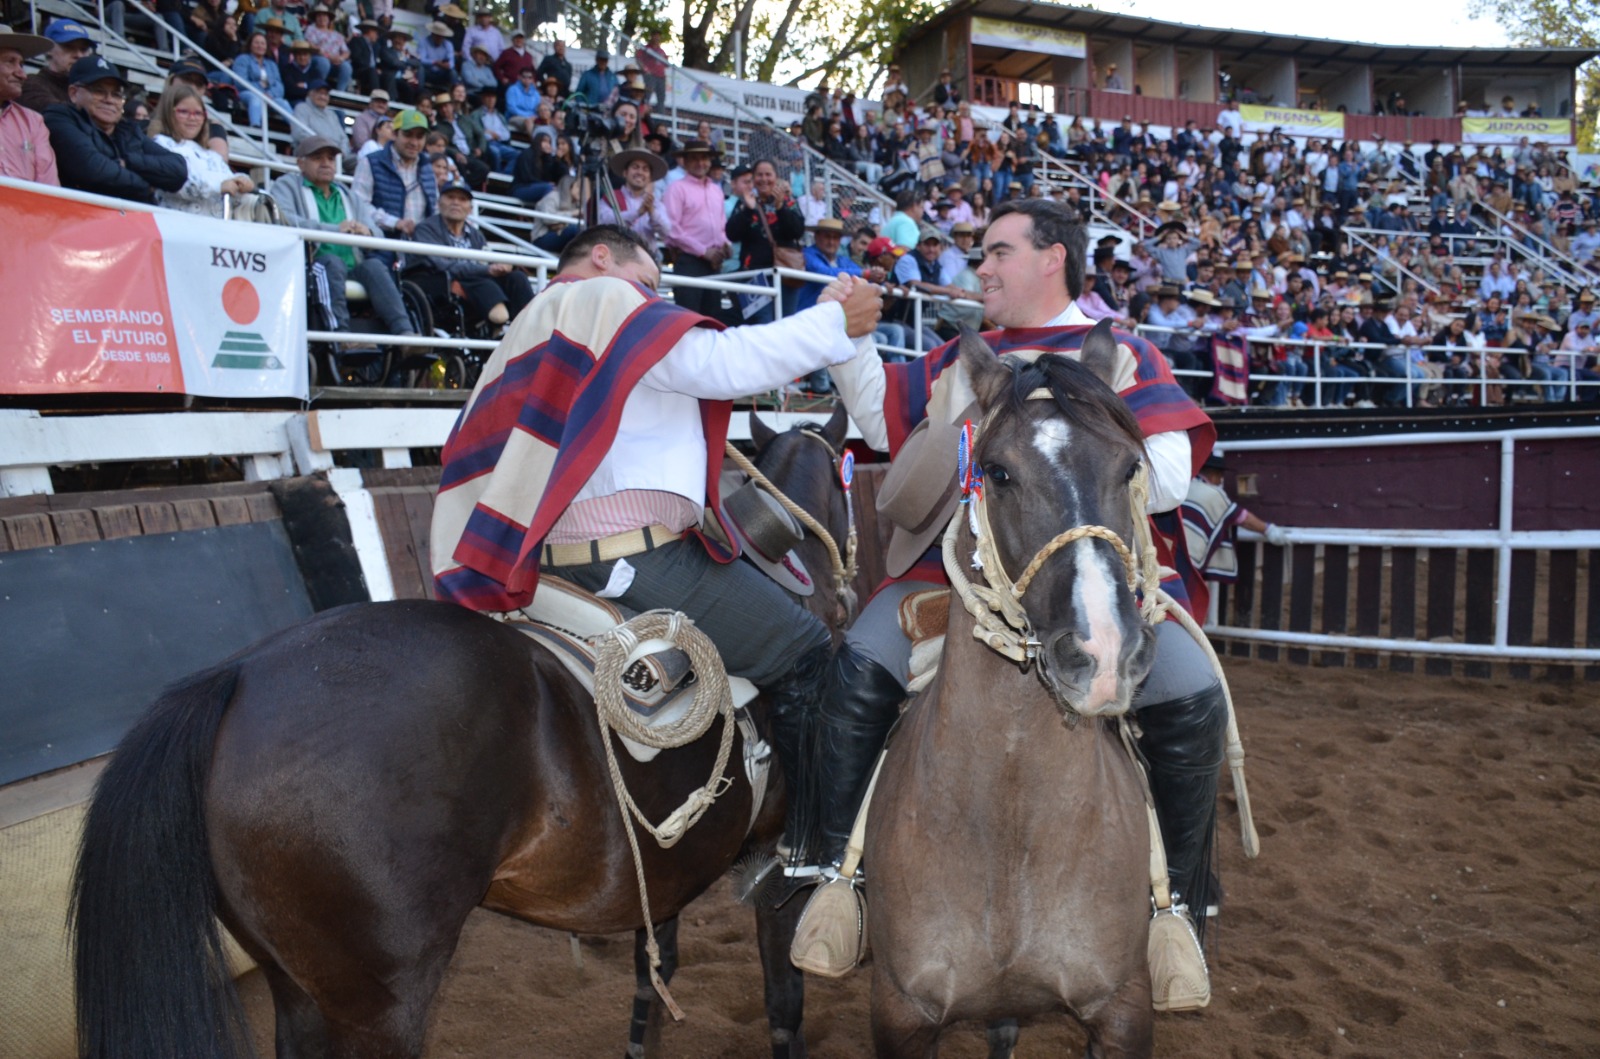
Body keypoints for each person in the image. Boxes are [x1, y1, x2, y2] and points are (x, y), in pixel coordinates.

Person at [795, 201, 1222, 999]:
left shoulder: (1124, 355)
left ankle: (1180, 910)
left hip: (1088, 578)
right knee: (855, 669)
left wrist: (1077, 452)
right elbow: (881, 423)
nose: (981, 267)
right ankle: (834, 879)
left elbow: (1166, 477)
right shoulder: (962, 360)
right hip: (953, 577)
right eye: (981, 254)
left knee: (1194, 694)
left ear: (1052, 257)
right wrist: (846, 334)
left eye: (998, 251)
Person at [428, 224, 883, 873]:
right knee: (807, 646)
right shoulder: (603, 299)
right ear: (603, 257)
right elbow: (722, 364)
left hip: (550, 556)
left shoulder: (537, 322)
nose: (653, 300)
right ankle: (813, 849)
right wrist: (834, 320)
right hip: (630, 554)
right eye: (648, 281)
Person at [268, 136, 417, 342]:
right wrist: (335, 230)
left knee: (375, 266)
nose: (326, 163)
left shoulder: (347, 194)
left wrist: (367, 232)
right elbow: (283, 220)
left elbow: (377, 232)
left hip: (352, 267)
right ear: (300, 163)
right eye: (317, 158)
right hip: (311, 265)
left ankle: (406, 335)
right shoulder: (286, 186)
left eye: (330, 158)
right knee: (332, 263)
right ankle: (341, 337)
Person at [44, 55, 185, 205]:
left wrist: (127, 162)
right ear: (74, 93)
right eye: (99, 91)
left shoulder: (128, 130)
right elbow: (92, 169)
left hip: (134, 217)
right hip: (79, 214)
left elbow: (178, 170)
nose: (109, 100)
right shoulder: (58, 118)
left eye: (116, 94)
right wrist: (146, 187)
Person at [407, 179, 533, 329]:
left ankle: (529, 327)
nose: (456, 203)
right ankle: (497, 325)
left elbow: (486, 260)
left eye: (462, 199)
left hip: (477, 278)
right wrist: (487, 269)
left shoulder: (475, 234)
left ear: (470, 208)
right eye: (451, 197)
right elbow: (441, 264)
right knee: (484, 284)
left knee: (517, 278)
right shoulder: (426, 229)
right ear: (439, 203)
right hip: (444, 281)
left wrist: (501, 265)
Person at [1181, 452, 1288, 589]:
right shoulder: (1215, 494)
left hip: (1171, 551)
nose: (1220, 482)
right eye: (1220, 478)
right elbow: (1242, 517)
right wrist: (1268, 529)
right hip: (1191, 556)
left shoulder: (1185, 487)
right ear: (1214, 476)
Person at [147, 84, 254, 215]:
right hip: (174, 222)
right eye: (184, 112)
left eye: (198, 113)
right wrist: (218, 187)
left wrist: (241, 181)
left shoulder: (210, 154)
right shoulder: (160, 144)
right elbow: (177, 182)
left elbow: (227, 178)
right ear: (169, 113)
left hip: (212, 224)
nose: (192, 118)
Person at [726, 158, 804, 324]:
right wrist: (748, 210)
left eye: (768, 174)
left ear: (776, 177)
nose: (764, 179)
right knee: (760, 323)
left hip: (785, 274)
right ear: (753, 179)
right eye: (759, 175)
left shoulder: (788, 201)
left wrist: (780, 208)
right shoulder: (745, 201)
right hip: (754, 277)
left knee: (785, 324)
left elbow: (797, 231)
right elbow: (731, 234)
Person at [664, 138, 731, 319]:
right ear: (685, 162)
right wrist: (703, 251)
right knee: (688, 318)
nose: (700, 163)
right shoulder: (676, 189)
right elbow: (672, 230)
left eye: (704, 158)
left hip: (714, 262)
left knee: (712, 318)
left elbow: (721, 227)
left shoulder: (716, 191)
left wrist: (726, 244)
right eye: (695, 158)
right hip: (689, 262)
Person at [352, 108, 437, 246]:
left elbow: (435, 208)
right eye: (408, 135)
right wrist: (394, 223)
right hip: (381, 244)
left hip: (422, 246)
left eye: (420, 137)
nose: (414, 142)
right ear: (394, 134)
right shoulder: (370, 162)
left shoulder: (427, 167)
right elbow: (359, 204)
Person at [0, 23, 57, 184]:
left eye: (21, 64)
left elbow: (49, 188)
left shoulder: (33, 121)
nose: (22, 74)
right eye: (10, 62)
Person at [596, 146, 670, 249]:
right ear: (625, 173)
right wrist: (637, 213)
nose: (640, 172)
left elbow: (667, 232)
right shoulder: (611, 197)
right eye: (635, 167)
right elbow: (604, 222)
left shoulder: (655, 204)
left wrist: (652, 212)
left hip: (647, 256)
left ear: (650, 177)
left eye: (645, 169)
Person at [19, 19, 95, 114]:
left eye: (83, 50)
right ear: (48, 49)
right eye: (69, 47)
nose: (78, 55)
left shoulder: (91, 88)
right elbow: (57, 113)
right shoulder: (31, 83)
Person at [233, 29, 287, 127]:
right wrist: (260, 91)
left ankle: (299, 130)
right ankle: (256, 126)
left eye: (263, 43)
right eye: (256, 43)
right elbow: (240, 82)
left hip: (269, 96)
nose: (260, 46)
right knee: (256, 99)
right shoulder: (242, 59)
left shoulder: (272, 64)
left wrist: (270, 93)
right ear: (250, 45)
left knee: (283, 103)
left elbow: (279, 86)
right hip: (248, 93)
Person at [291, 78, 350, 155]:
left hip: (336, 154)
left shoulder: (332, 114)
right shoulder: (301, 109)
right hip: (313, 152)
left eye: (326, 94)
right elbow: (299, 134)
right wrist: (325, 148)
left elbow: (344, 138)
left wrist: (341, 153)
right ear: (310, 94)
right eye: (319, 93)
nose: (323, 97)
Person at [302, 5, 352, 91]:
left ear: (329, 19)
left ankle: (340, 92)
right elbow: (311, 45)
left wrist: (341, 58)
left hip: (335, 62)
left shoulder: (337, 34)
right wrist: (329, 57)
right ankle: (319, 89)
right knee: (324, 62)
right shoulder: (311, 29)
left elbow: (346, 52)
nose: (322, 18)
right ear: (315, 18)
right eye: (319, 16)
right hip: (318, 58)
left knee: (346, 66)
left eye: (325, 16)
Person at [417, 20, 457, 91]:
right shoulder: (423, 42)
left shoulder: (448, 44)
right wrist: (435, 62)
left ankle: (454, 92)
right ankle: (420, 92)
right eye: (438, 36)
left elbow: (451, 64)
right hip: (428, 72)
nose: (440, 38)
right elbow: (421, 60)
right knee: (420, 69)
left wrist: (446, 65)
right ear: (432, 34)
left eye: (442, 36)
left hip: (442, 73)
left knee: (453, 72)